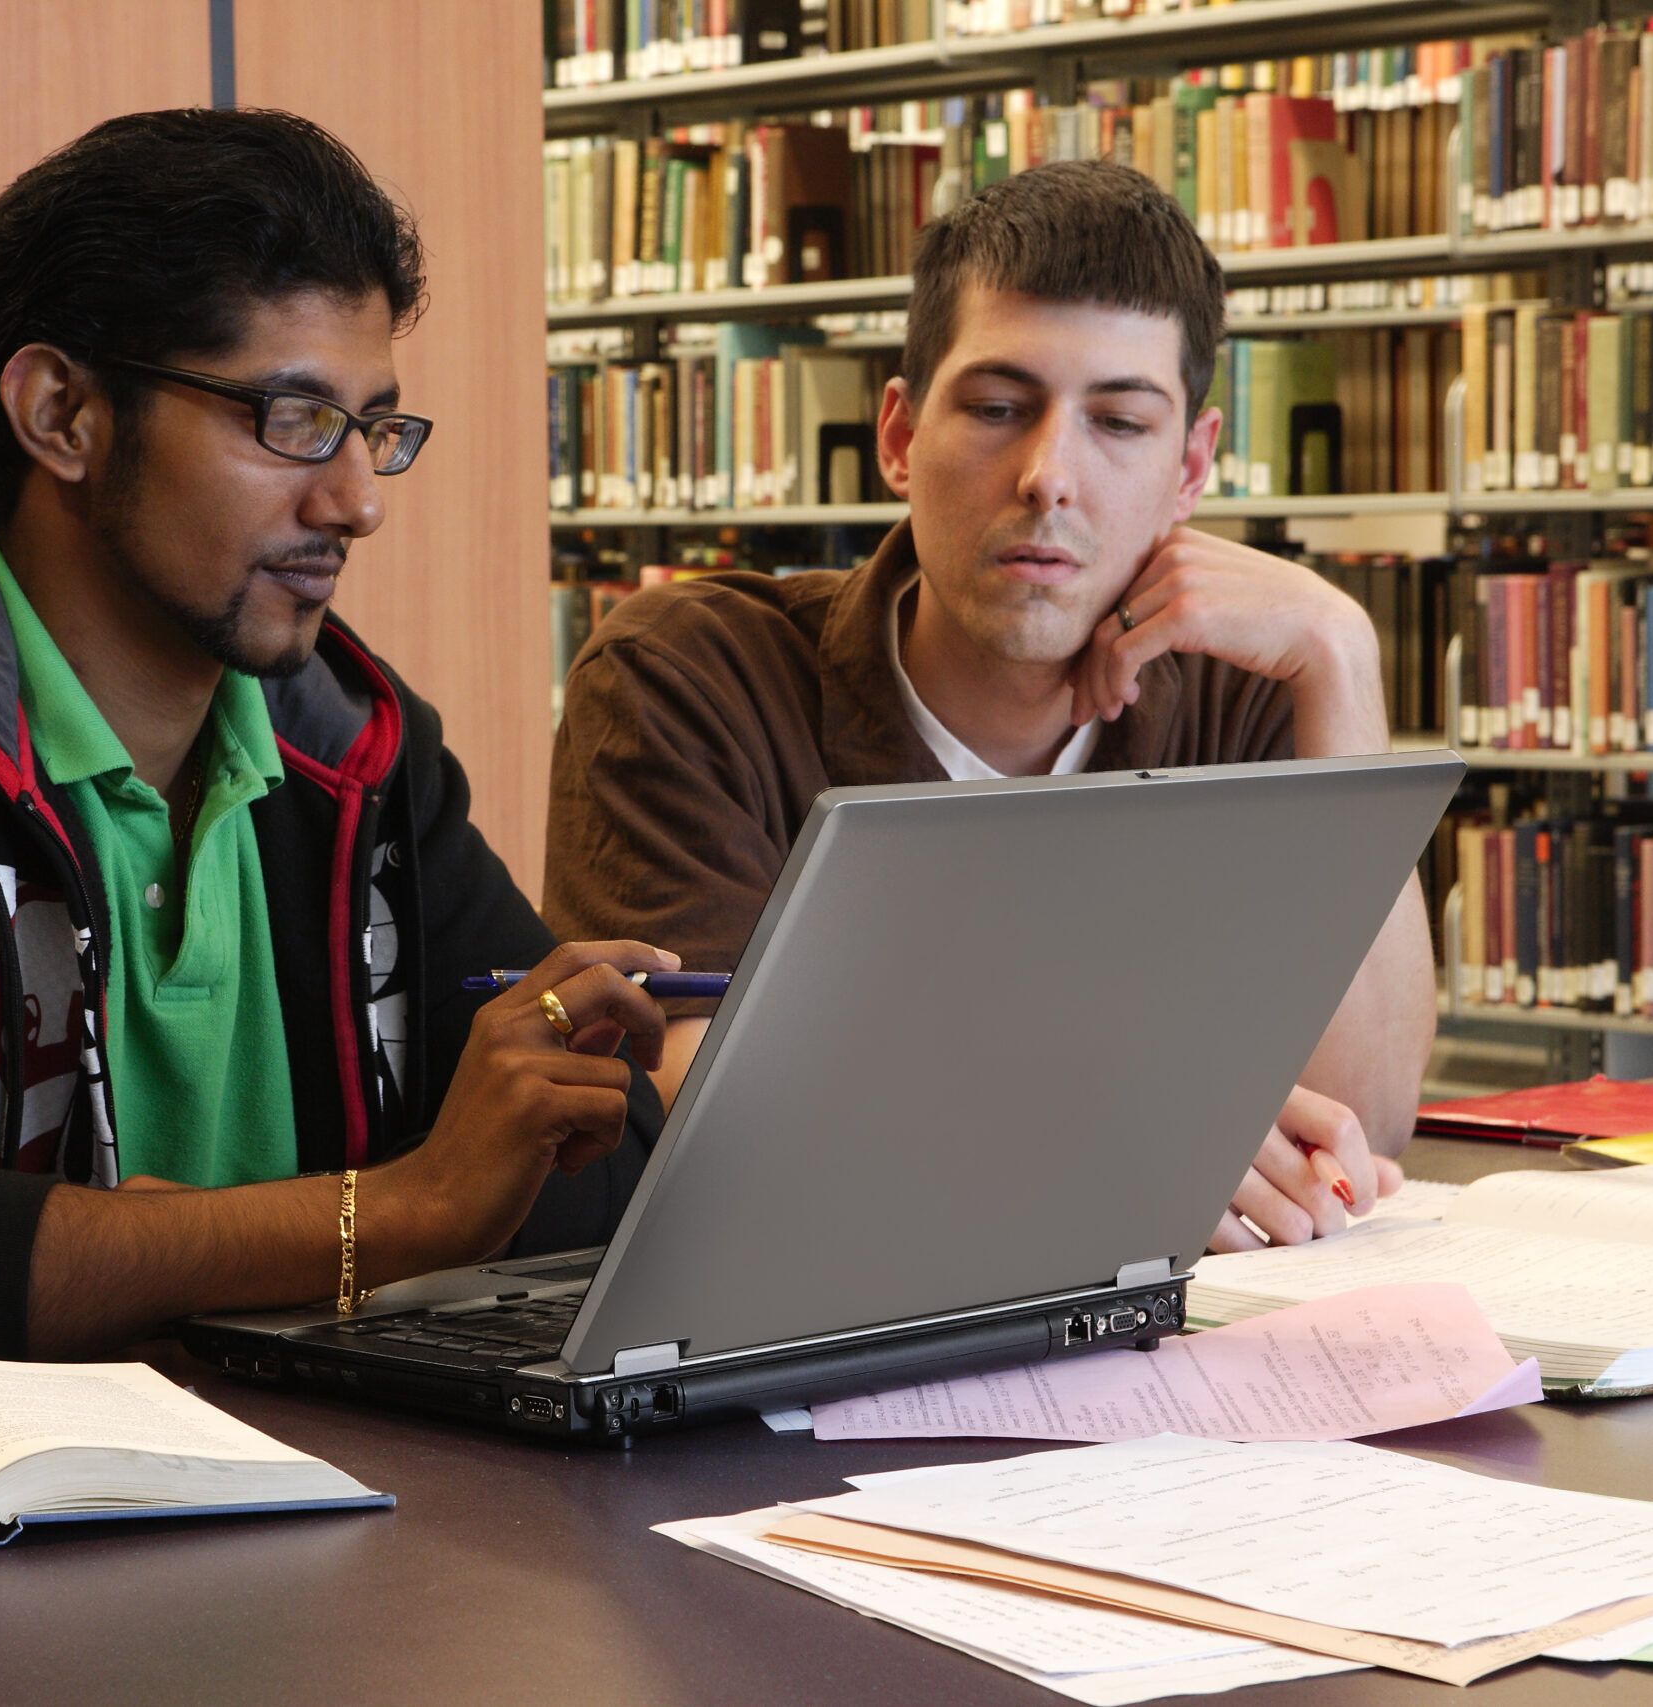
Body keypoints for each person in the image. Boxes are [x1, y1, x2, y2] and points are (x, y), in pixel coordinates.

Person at [0, 109, 671, 1385]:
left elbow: (583, 1160)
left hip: (290, 1510)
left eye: (374, 427)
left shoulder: (357, 757)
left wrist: (525, 1125)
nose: (356, 501)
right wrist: (387, 1220)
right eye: (291, 419)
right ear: (62, 413)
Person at [544, 160, 1435, 1256]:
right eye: (999, 408)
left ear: (1191, 466)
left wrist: (1341, 662)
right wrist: (1122, 1148)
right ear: (898, 437)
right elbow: (711, 1105)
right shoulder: (685, 680)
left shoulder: (1250, 696)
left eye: (1119, 422)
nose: (1048, 475)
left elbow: (1363, 1120)